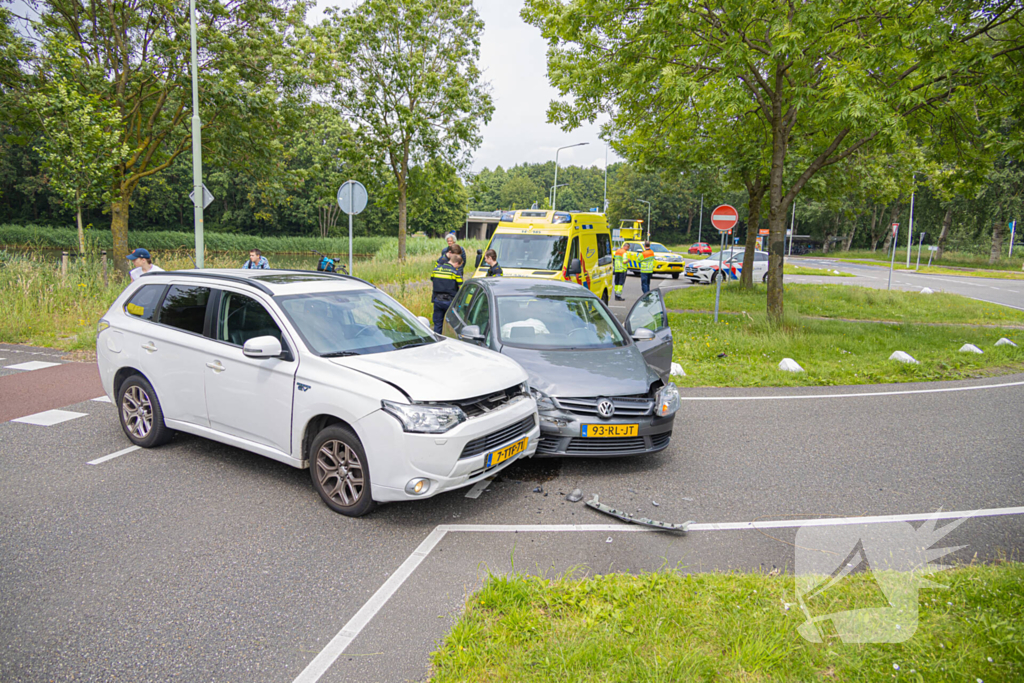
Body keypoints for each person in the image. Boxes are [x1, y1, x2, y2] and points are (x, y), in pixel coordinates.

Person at [431, 251, 463, 333]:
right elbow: (461, 286)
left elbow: (432, 282)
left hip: (437, 300)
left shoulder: (436, 270)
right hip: (450, 302)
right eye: (458, 266)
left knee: (438, 324)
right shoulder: (455, 272)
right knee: (451, 326)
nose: (457, 268)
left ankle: (438, 341)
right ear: (456, 263)